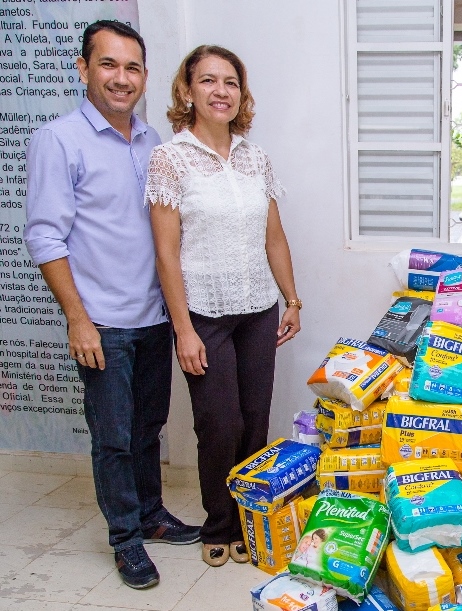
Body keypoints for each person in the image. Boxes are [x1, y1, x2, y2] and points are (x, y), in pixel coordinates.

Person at [23, 21, 201, 590]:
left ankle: (150, 516)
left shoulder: (154, 142)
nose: (121, 79)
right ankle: (126, 538)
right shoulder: (59, 139)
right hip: (101, 322)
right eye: (108, 65)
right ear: (83, 69)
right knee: (114, 438)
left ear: (145, 77)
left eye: (132, 68)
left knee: (148, 427)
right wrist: (78, 318)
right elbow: (45, 237)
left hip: (153, 317)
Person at [147, 45, 302, 567]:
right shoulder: (170, 159)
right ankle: (220, 522)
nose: (220, 91)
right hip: (204, 315)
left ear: (242, 93)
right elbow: (166, 253)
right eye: (208, 80)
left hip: (258, 309)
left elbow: (274, 237)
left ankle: (250, 520)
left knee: (255, 422)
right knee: (219, 423)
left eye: (230, 82)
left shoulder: (256, 157)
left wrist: (292, 299)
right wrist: (182, 329)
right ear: (186, 91)